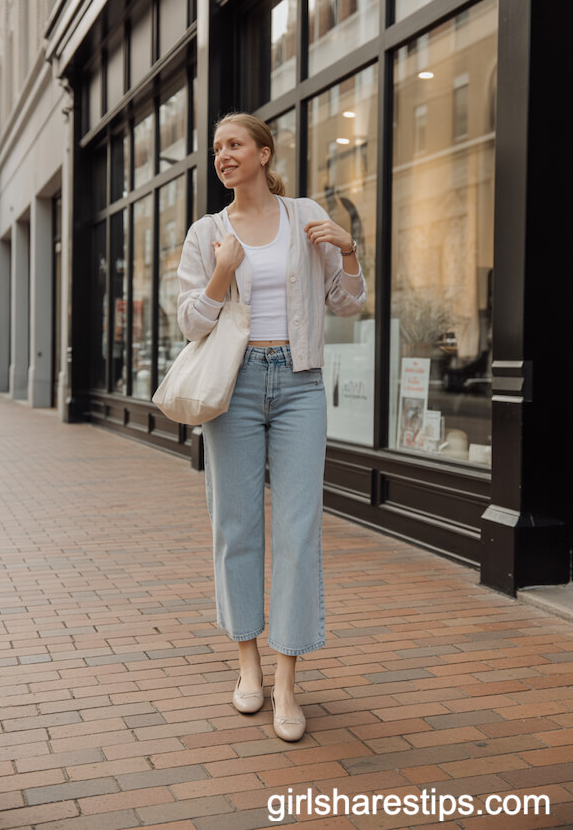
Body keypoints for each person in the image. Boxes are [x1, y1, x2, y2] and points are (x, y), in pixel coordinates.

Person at [177, 112, 366, 741]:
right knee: (235, 526)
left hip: (299, 384)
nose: (223, 156)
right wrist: (222, 271)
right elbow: (190, 323)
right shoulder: (207, 233)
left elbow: (347, 302)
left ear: (263, 153)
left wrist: (348, 250)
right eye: (216, 149)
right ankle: (248, 665)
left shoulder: (304, 215)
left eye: (234, 145)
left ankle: (287, 680)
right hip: (233, 386)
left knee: (297, 529)